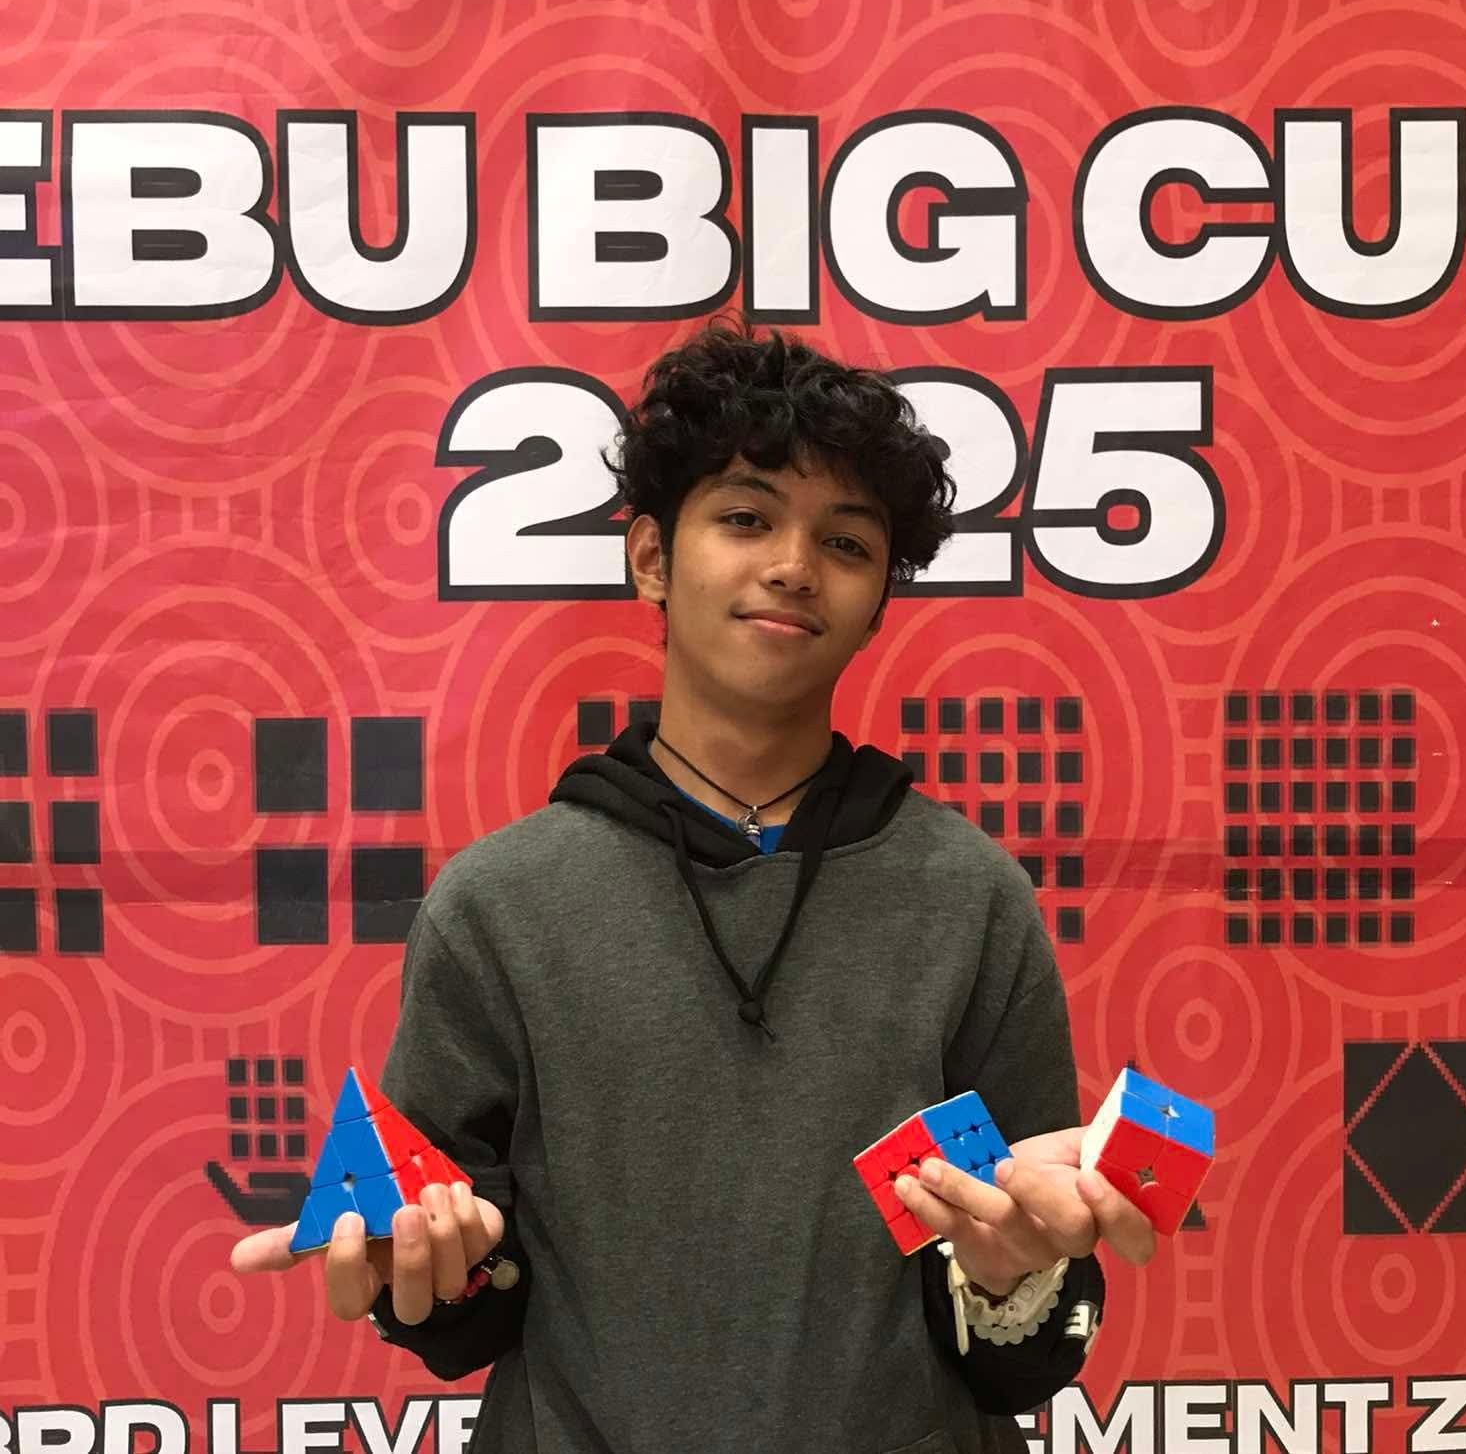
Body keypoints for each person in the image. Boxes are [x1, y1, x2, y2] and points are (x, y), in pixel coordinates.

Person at [229, 315, 1159, 1454]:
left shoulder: (970, 899)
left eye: (846, 542)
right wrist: (427, 1268)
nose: (793, 566)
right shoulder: (500, 904)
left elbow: (1023, 1345)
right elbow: (458, 1297)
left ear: (879, 600)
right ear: (652, 558)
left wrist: (1015, 1274)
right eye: (746, 518)